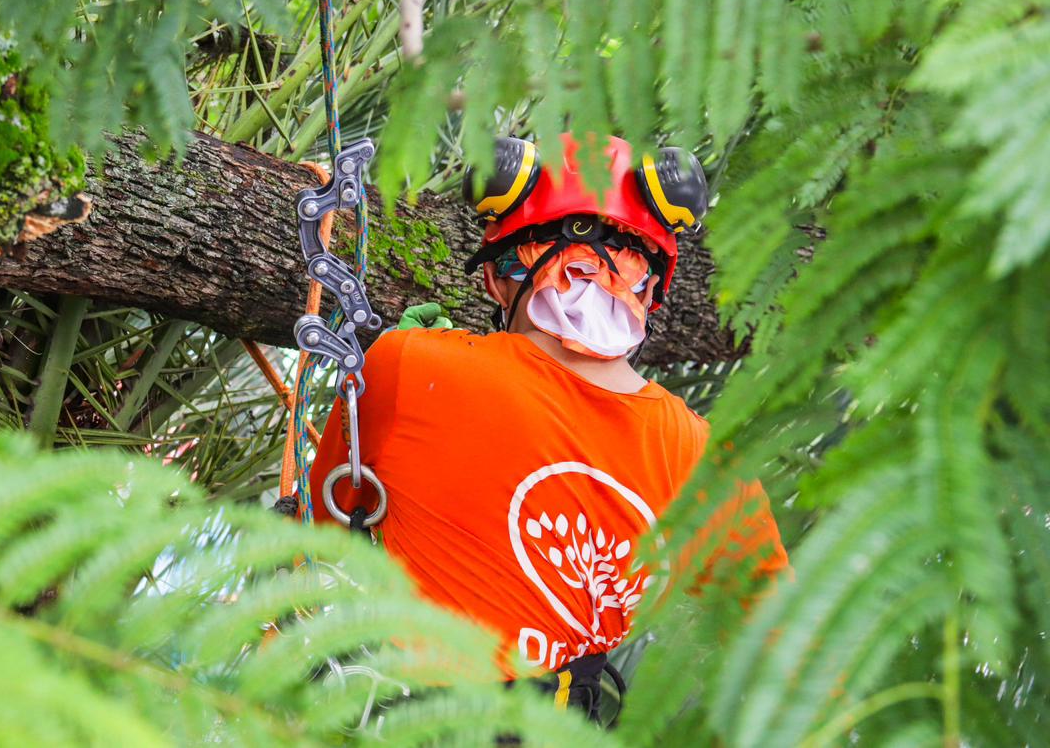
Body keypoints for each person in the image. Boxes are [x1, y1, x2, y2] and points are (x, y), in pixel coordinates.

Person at [307, 133, 788, 721]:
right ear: (651, 289)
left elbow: (318, 542)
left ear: (497, 279)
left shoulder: (408, 366)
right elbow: (793, 652)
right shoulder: (706, 458)